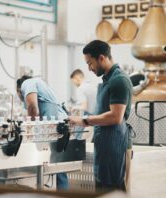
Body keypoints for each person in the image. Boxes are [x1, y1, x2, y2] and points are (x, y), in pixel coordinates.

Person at [69, 40, 133, 192]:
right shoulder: (107, 80)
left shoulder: (119, 80)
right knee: (102, 188)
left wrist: (84, 120)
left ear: (102, 58)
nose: (89, 68)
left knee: (112, 190)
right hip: (104, 144)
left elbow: (115, 117)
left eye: (90, 63)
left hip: (114, 145)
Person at [16, 75, 68, 190]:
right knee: (59, 171)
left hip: (53, 130)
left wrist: (30, 129)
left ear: (18, 90)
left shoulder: (27, 83)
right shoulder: (42, 85)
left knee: (57, 171)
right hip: (60, 129)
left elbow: (33, 107)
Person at [70, 69, 97, 142]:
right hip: (96, 121)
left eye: (73, 81)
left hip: (87, 120)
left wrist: (74, 108)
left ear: (77, 78)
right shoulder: (93, 87)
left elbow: (84, 107)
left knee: (78, 141)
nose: (74, 84)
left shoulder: (80, 88)